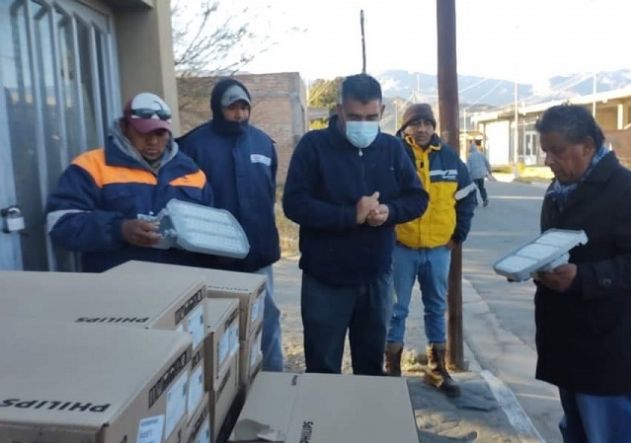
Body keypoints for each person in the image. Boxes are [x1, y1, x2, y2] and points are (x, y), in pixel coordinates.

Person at [533, 104, 631, 443]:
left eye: (557, 151)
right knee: (576, 433)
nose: (549, 160)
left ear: (588, 146)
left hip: (605, 344)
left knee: (605, 440)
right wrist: (537, 264)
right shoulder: (560, 188)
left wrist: (584, 277)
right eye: (545, 151)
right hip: (566, 340)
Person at [283, 73, 428, 376]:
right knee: (322, 367)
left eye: (371, 117)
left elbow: (417, 198)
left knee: (371, 367)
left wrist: (390, 211)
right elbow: (294, 204)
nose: (363, 124)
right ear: (339, 110)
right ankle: (324, 410)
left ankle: (366, 409)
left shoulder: (392, 148)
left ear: (382, 111)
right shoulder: (313, 146)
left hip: (376, 277)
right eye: (354, 117)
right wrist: (350, 215)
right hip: (325, 279)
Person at [177, 78, 284, 372]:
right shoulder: (193, 146)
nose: (239, 114)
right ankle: (225, 386)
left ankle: (274, 380)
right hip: (213, 261)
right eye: (232, 108)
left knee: (268, 322)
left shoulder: (263, 143)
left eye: (244, 107)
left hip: (258, 257)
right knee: (220, 330)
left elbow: (269, 193)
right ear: (217, 108)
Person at [46, 92, 214, 273]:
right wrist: (119, 230)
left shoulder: (192, 173)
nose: (153, 141)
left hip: (181, 283)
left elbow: (209, 231)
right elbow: (60, 223)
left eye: (160, 133)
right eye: (143, 133)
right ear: (124, 127)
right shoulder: (90, 166)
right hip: (115, 285)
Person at [385, 103, 476, 397]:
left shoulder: (450, 158)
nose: (422, 129)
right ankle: (392, 369)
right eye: (415, 123)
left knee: (436, 307)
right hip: (401, 248)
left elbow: (467, 198)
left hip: (439, 250)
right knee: (396, 309)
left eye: (427, 123)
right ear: (405, 128)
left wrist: (457, 236)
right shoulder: (393, 156)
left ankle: (437, 369)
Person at [467, 141, 492, 207]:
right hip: (482, 174)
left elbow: (468, 167)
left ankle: (475, 202)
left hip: (473, 175)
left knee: (474, 188)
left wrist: (467, 175)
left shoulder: (470, 157)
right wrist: (489, 171)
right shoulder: (481, 154)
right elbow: (487, 163)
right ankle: (485, 198)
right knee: (481, 187)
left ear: (471, 149)